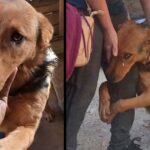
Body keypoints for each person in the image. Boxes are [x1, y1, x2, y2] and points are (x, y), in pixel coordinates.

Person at [66, 0, 149, 150]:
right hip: (82, 9)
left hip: (114, 7)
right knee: (84, 88)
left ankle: (120, 144)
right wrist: (108, 28)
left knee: (126, 84)